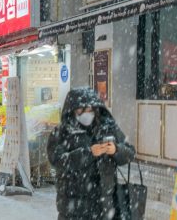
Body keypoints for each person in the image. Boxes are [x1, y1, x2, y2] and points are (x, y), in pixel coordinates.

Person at [47, 87, 135, 220]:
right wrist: (88, 153)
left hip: (104, 206)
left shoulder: (107, 128)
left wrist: (116, 150)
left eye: (89, 110)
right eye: (80, 110)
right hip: (73, 208)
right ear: (71, 110)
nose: (86, 114)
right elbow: (58, 160)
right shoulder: (62, 132)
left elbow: (130, 152)